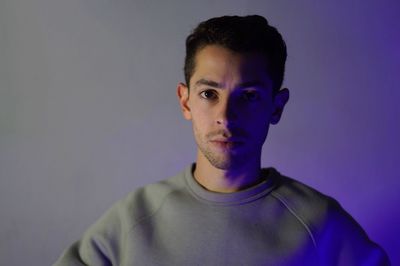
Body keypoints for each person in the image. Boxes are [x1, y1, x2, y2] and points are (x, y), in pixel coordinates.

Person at [54, 15, 390, 266]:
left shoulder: (321, 224)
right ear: (185, 101)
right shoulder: (134, 220)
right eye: (209, 93)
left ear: (276, 106)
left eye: (249, 96)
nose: (226, 117)